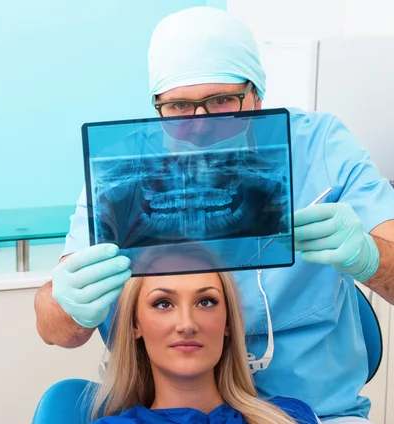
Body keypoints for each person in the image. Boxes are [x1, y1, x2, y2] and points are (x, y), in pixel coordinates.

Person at [34, 6, 394, 423]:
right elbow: (52, 326)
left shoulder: (323, 149)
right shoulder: (121, 171)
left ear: (257, 93)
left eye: (222, 101)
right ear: (157, 107)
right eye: (179, 108)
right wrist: (69, 306)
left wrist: (369, 256)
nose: (200, 125)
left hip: (317, 412)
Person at [87, 259, 319, 424]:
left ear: (228, 322)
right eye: (163, 303)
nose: (187, 325)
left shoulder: (291, 416)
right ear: (136, 324)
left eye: (206, 302)